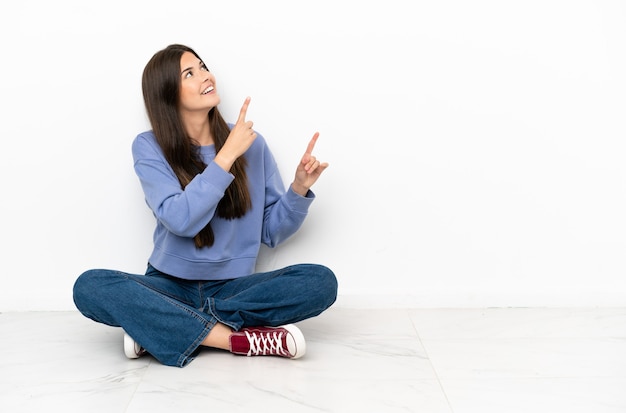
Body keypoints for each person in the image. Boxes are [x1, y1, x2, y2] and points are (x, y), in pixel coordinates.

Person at [72, 44, 338, 368]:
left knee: (320, 281)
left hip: (233, 289)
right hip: (168, 285)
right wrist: (226, 156)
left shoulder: (253, 146)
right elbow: (179, 219)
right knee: (89, 286)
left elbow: (270, 232)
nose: (205, 76)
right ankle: (233, 339)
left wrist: (298, 188)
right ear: (168, 94)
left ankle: (162, 327)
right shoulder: (149, 147)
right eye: (189, 73)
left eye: (202, 66)